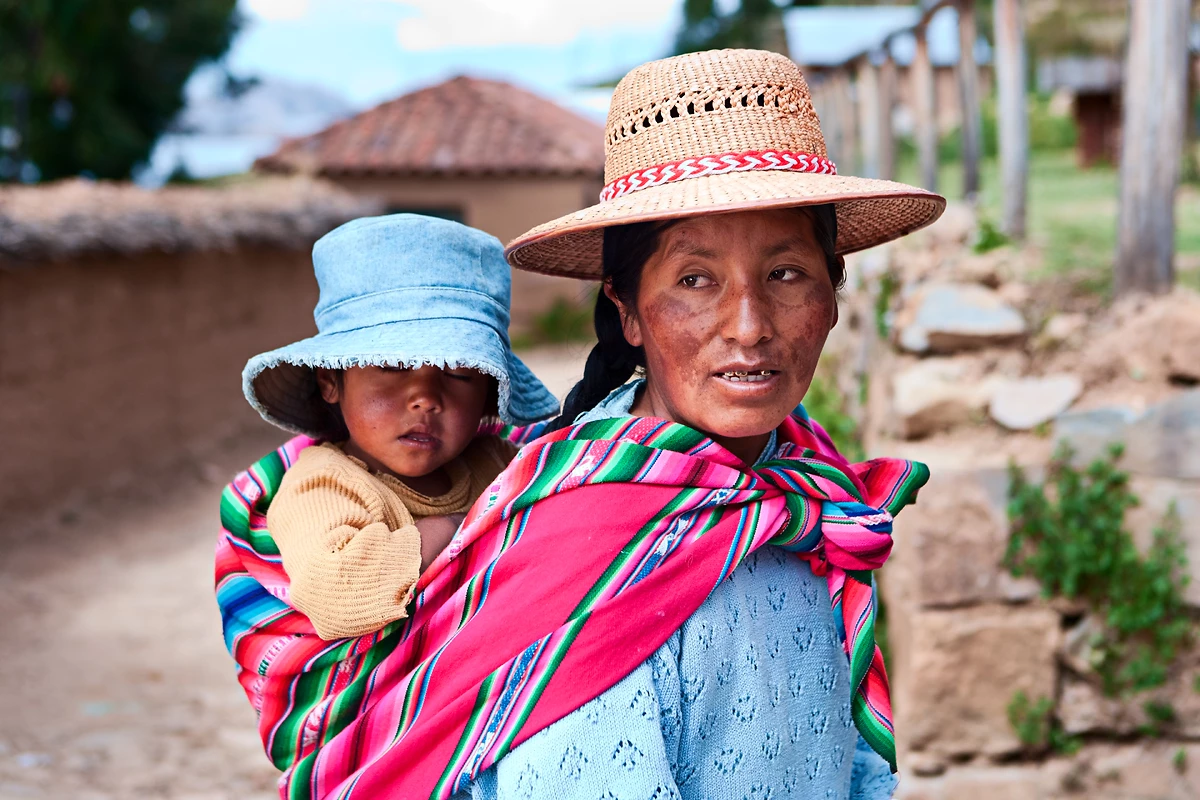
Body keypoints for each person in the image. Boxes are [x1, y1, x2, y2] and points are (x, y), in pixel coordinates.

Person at [459, 48, 946, 798]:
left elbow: (852, 766)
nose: (749, 326)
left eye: (786, 274)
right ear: (626, 310)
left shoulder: (814, 503)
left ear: (834, 295)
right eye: (695, 280)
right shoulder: (587, 552)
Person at [238, 213, 559, 641]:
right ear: (331, 380)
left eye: (460, 373)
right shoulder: (324, 485)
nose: (426, 397)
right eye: (392, 365)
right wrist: (459, 527)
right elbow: (337, 593)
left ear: (487, 394)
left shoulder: (498, 461)